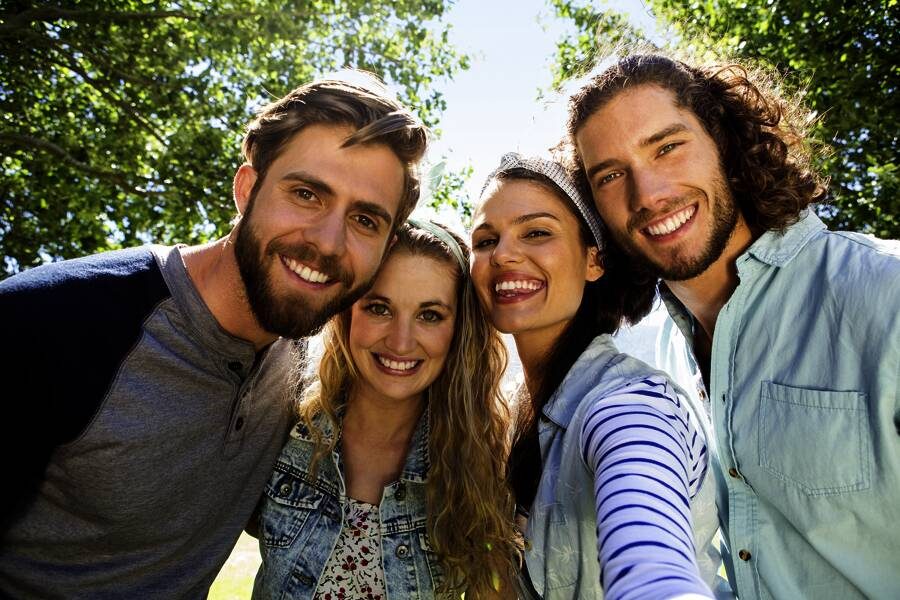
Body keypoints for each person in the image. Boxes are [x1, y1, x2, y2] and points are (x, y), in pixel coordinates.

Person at [0, 73, 428, 598]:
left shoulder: (307, 367)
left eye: (365, 219)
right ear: (247, 190)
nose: (328, 242)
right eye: (306, 194)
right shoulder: (53, 321)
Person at [568, 53, 900, 599]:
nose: (647, 194)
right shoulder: (639, 358)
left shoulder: (883, 292)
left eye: (667, 147)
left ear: (723, 140)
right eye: (611, 175)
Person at [470, 152, 717, 600]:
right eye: (486, 240)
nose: (504, 254)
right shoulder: (505, 415)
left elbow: (653, 564)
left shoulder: (630, 405)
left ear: (594, 261)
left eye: (537, 232)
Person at [252, 220, 519, 599]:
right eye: (379, 308)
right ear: (347, 314)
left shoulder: (480, 465)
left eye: (430, 315)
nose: (400, 341)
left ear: (459, 331)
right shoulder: (286, 422)